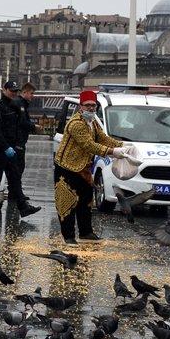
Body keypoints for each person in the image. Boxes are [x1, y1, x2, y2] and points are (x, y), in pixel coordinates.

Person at [53, 89, 124, 245]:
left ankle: (86, 233)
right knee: (67, 202)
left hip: (83, 168)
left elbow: (103, 138)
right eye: (88, 105)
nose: (91, 108)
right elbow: (89, 145)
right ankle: (69, 236)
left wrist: (123, 146)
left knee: (86, 201)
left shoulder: (93, 123)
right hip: (66, 168)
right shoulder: (76, 123)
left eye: (93, 106)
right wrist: (113, 152)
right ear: (81, 106)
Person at [0, 81, 41, 217]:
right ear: (4, 90)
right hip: (0, 149)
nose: (14, 93)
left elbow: (17, 127)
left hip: (11, 149)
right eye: (12, 91)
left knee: (15, 179)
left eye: (15, 91)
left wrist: (15, 146)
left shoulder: (14, 106)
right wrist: (6, 147)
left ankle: (23, 207)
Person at [17, 81, 38, 176]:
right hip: (18, 141)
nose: (32, 96)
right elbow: (22, 122)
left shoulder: (23, 104)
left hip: (20, 140)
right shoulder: (20, 104)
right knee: (19, 166)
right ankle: (15, 187)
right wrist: (34, 126)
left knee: (19, 166)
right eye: (31, 93)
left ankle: (15, 186)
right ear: (24, 92)